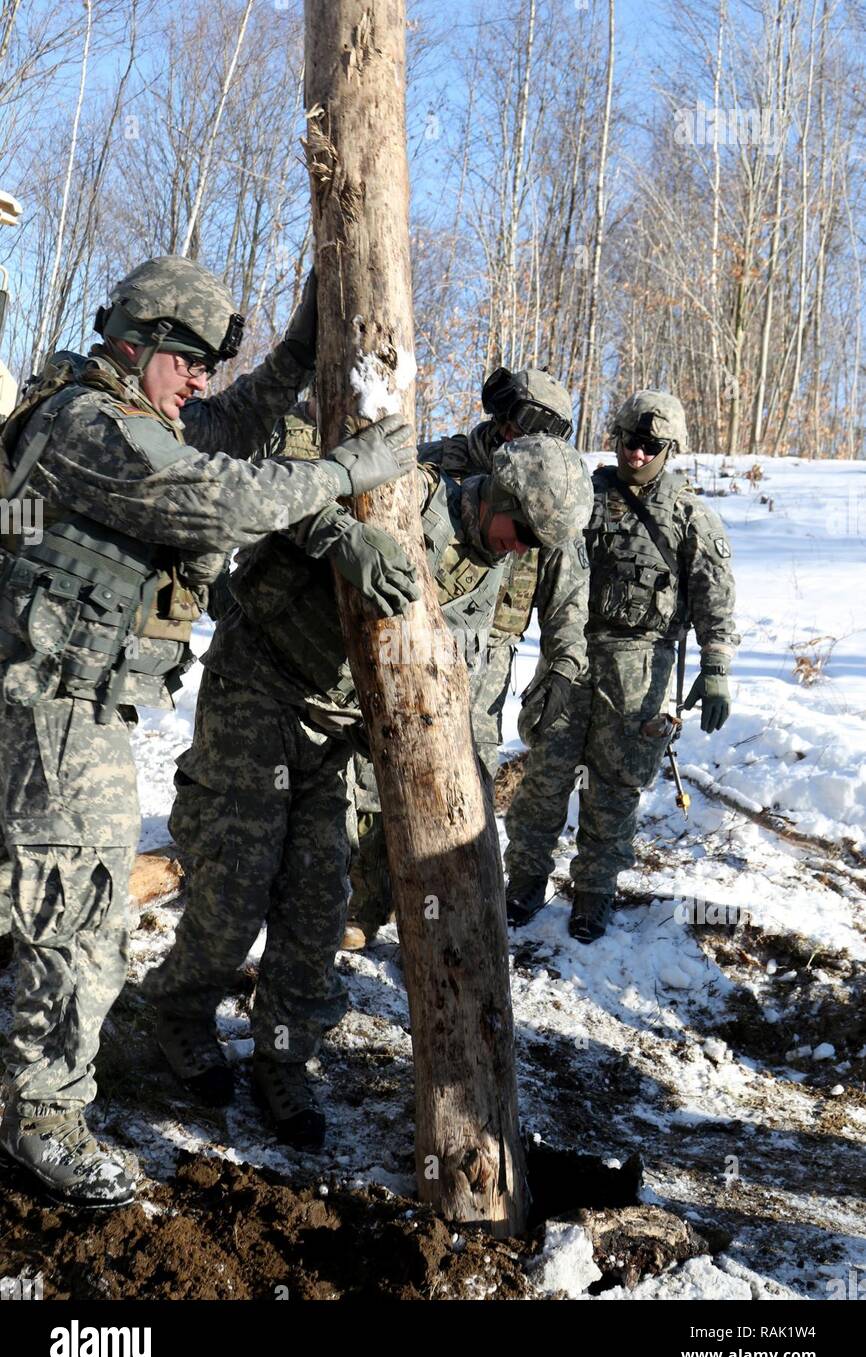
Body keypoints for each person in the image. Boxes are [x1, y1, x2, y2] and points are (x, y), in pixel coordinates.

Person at [0, 255, 416, 1207]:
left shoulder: (119, 414)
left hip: (58, 700)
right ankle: (43, 1114)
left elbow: (227, 430)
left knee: (39, 898)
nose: (196, 385)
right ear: (137, 348)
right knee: (78, 910)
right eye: (185, 364)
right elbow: (214, 495)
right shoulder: (91, 429)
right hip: (57, 709)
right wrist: (348, 471)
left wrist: (303, 347)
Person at [147, 430, 591, 1152]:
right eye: (522, 531)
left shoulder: (488, 569)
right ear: (498, 497)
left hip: (339, 733)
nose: (522, 550)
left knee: (319, 901)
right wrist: (340, 536)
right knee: (237, 879)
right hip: (261, 686)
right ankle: (180, 1012)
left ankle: (283, 1054)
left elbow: (453, 675)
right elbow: (276, 491)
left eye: (537, 544)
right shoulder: (407, 493)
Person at [346, 366, 591, 948]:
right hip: (407, 640)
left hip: (487, 659)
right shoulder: (440, 468)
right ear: (502, 417)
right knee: (379, 777)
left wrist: (562, 665)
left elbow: (569, 598)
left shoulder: (552, 493)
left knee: (465, 785)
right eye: (521, 425)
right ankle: (369, 902)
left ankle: (448, 914)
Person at [504, 390, 737, 943]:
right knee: (545, 773)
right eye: (630, 441)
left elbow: (715, 594)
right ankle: (525, 880)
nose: (636, 454)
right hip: (572, 652)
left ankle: (594, 892)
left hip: (641, 669)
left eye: (650, 445)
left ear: (670, 448)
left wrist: (718, 664)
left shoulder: (689, 514)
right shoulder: (581, 494)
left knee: (616, 786)